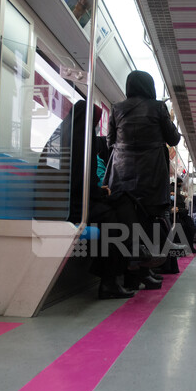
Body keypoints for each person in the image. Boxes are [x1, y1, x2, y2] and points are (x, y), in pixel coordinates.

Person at [106, 71, 182, 290]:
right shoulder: (158, 107)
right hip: (151, 172)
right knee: (149, 223)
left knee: (127, 224)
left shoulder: (117, 108)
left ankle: (134, 274)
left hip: (122, 172)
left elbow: (111, 141)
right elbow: (173, 138)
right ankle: (143, 272)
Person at [64, 100, 138, 300]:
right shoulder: (79, 145)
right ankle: (112, 278)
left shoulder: (69, 140)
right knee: (115, 220)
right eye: (95, 123)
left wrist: (99, 191)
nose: (96, 128)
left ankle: (120, 270)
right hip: (73, 206)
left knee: (122, 203)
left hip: (76, 201)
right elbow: (79, 184)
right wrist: (100, 193)